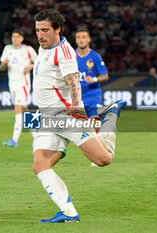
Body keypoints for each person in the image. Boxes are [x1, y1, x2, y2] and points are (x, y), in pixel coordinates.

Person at [32, 9, 126, 223]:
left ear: (58, 30)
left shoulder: (64, 52)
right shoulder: (44, 46)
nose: (40, 35)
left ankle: (109, 116)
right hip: (48, 118)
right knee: (40, 165)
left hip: (67, 117)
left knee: (104, 160)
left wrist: (76, 106)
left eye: (45, 30)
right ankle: (68, 213)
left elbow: (73, 80)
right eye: (37, 30)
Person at [75, 29, 109, 166]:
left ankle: (99, 156)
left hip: (93, 97)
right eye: (78, 37)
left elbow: (105, 76)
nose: (81, 40)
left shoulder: (95, 56)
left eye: (84, 37)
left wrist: (94, 79)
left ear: (89, 39)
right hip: (76, 98)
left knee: (95, 125)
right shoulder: (71, 56)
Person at [0, 29, 38, 147]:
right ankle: (37, 137)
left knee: (18, 109)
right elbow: (1, 68)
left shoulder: (28, 49)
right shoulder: (7, 49)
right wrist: (4, 64)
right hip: (12, 84)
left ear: (22, 38)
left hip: (23, 84)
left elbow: (39, 62)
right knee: (24, 110)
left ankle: (14, 139)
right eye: (13, 36)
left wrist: (30, 66)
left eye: (17, 37)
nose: (14, 39)